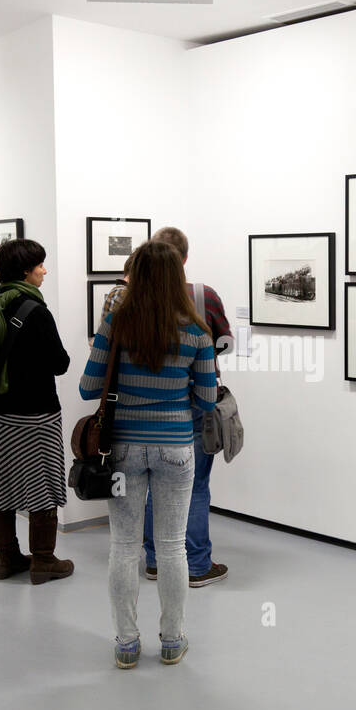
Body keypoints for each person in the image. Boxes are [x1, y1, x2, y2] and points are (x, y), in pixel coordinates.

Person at [80, 239, 218, 668]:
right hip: (176, 446)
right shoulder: (197, 329)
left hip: (123, 450)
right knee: (173, 545)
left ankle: (126, 642)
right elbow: (209, 398)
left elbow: (88, 388)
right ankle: (173, 639)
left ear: (134, 275)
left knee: (123, 545)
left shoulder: (116, 325)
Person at [0, 238, 72, 584]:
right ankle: (43, 560)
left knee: (2, 483)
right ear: (26, 271)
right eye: (40, 265)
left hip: (1, 412)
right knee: (42, 484)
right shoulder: (35, 311)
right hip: (38, 413)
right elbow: (60, 363)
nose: (45, 270)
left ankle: (6, 558)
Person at [139, 227, 233, 588]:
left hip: (144, 404)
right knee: (194, 485)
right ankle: (195, 564)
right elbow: (223, 340)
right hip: (195, 398)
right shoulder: (201, 295)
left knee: (151, 484)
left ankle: (154, 561)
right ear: (185, 258)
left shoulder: (134, 300)